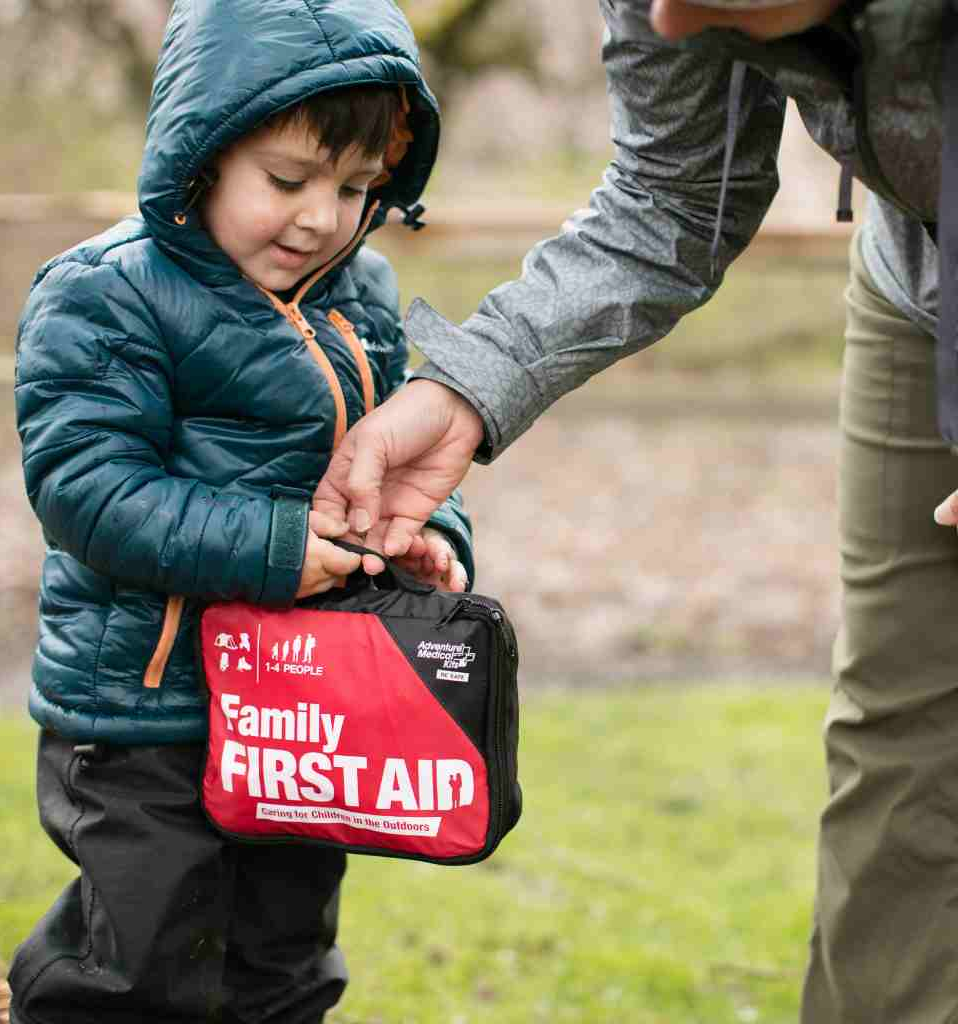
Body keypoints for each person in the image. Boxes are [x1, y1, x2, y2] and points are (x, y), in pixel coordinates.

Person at [315, 1, 958, 1020]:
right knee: (902, 725)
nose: (664, 15)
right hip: (917, 275)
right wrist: (464, 391)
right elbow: (672, 195)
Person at [7, 1, 473, 1021]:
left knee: (283, 952)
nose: (320, 217)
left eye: (356, 188)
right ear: (204, 153)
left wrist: (431, 534)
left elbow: (389, 457)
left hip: (303, 700)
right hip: (144, 704)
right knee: (138, 956)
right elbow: (86, 489)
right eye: (287, 179)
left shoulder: (364, 292)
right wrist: (272, 549)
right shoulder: (106, 294)